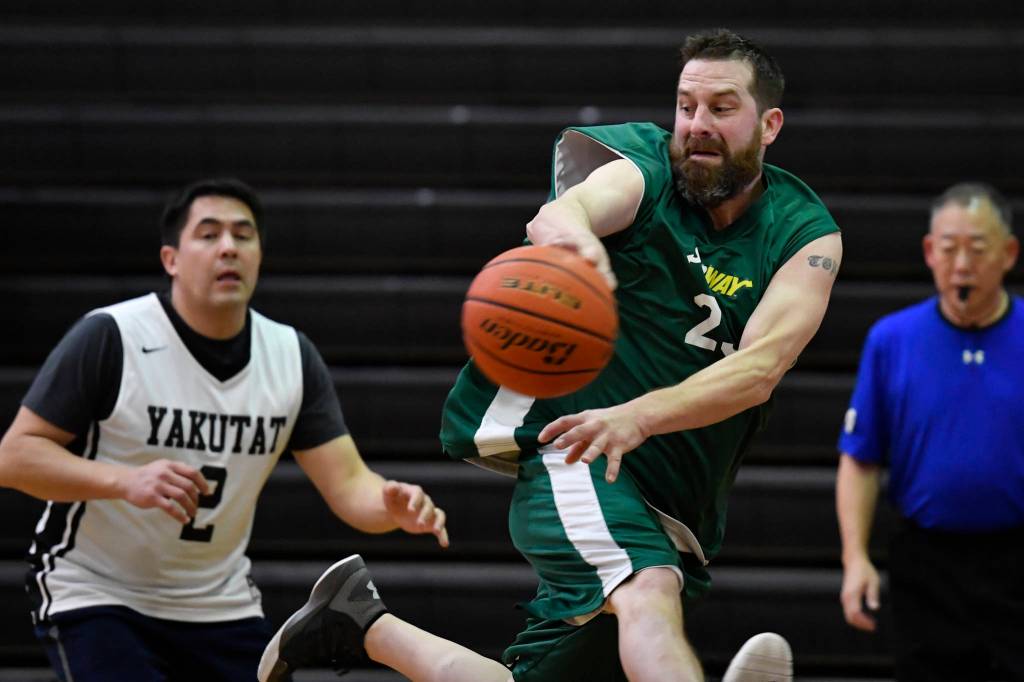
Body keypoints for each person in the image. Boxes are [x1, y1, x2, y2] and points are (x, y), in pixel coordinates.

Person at [262, 28, 841, 681]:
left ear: (769, 124)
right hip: (580, 452)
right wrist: (579, 245)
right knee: (650, 592)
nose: (697, 125)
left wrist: (642, 416)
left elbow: (759, 370)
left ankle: (360, 624)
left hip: (680, 496)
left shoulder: (803, 230)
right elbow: (567, 212)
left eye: (721, 108)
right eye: (686, 106)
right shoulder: (645, 168)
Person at [0, 178, 449, 682]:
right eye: (209, 235)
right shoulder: (112, 335)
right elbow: (13, 457)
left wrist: (390, 506)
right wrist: (125, 481)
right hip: (97, 592)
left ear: (260, 254)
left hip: (219, 603)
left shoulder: (289, 355)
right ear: (171, 258)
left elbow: (349, 486)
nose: (229, 248)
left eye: (243, 235)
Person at [836, 183, 1024, 682]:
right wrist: (855, 558)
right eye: (949, 248)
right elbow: (860, 457)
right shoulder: (892, 340)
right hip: (926, 566)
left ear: (1008, 254)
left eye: (978, 249)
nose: (962, 264)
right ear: (928, 252)